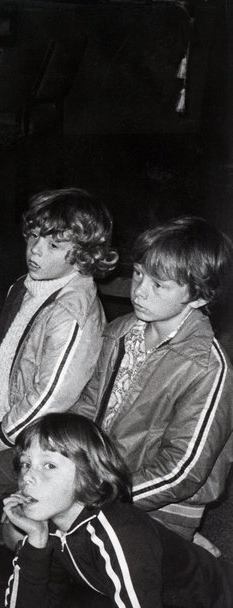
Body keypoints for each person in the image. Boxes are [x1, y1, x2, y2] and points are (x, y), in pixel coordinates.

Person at [2, 413, 233, 608]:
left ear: (92, 477)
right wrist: (36, 543)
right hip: (176, 604)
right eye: (26, 464)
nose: (28, 476)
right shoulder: (54, 528)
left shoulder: (118, 534)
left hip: (221, 601)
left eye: (49, 465)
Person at [0, 188, 117, 503]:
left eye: (53, 245)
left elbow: (50, 398)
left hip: (41, 440)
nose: (35, 250)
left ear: (83, 255)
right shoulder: (24, 288)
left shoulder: (71, 314)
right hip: (7, 421)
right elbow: (1, 352)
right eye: (33, 236)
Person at [71, 217, 233, 544]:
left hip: (160, 503)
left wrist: (104, 494)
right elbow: (88, 406)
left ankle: (183, 553)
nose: (140, 291)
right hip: (103, 478)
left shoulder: (207, 368)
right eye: (139, 274)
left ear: (199, 297)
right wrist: (60, 458)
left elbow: (182, 471)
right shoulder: (120, 332)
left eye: (159, 285)